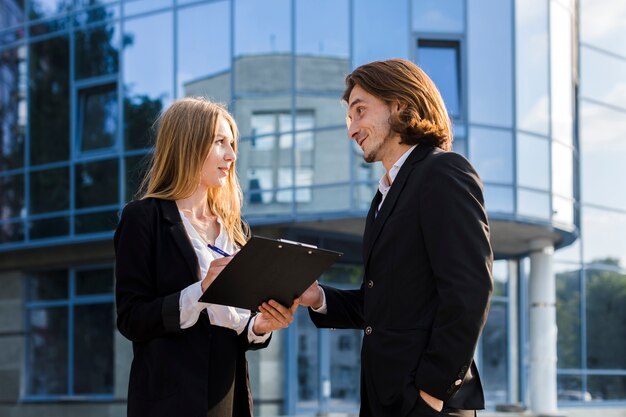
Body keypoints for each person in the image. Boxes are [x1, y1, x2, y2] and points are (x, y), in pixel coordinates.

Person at [298, 59, 493, 417]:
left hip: (426, 405)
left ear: (399, 105)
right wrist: (318, 297)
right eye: (349, 117)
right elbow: (383, 307)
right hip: (382, 401)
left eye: (360, 111)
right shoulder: (382, 197)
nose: (352, 129)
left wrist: (431, 395)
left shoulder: (443, 172)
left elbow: (469, 291)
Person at [114, 97, 298, 417]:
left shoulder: (237, 229)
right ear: (188, 144)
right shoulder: (143, 219)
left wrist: (261, 325)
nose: (231, 155)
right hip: (170, 400)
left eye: (232, 144)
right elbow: (131, 319)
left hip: (230, 395)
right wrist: (200, 291)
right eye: (220, 142)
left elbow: (240, 327)